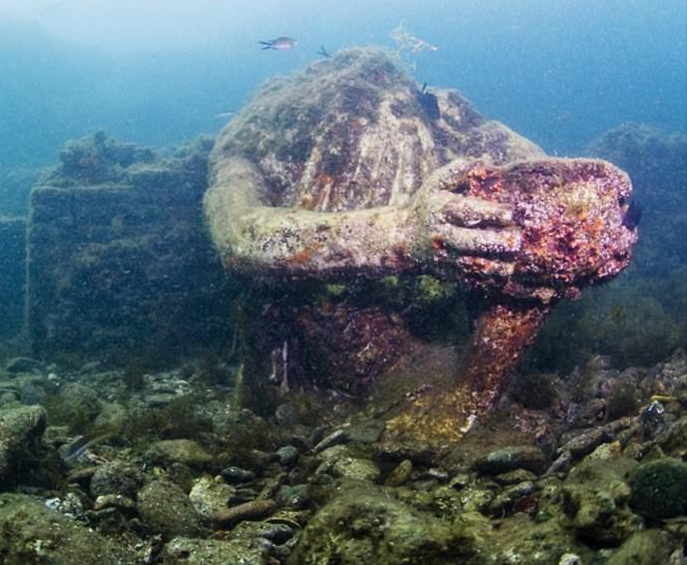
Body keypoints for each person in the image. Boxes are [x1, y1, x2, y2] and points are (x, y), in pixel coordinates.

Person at [204, 48, 637, 441]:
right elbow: (241, 237)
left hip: (431, 358)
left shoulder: (445, 122)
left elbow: (543, 202)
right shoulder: (257, 135)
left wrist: (583, 220)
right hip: (302, 370)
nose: (365, 85)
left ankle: (457, 405)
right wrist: (403, 235)